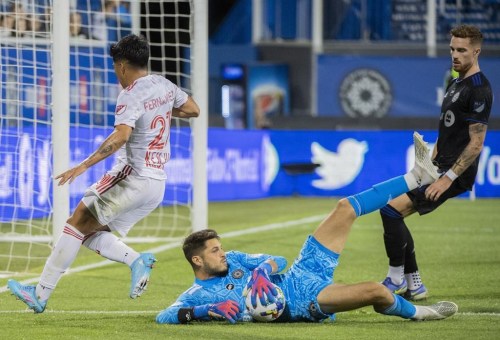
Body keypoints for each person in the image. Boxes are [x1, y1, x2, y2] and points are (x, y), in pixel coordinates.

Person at [156, 133, 458, 324]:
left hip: (302, 270)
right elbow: (164, 315)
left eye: (220, 247)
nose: (222, 253)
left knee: (344, 208)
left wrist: (262, 269)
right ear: (197, 260)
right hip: (305, 299)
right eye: (214, 251)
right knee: (377, 291)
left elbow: (280, 260)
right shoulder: (197, 295)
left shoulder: (234, 259)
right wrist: (201, 312)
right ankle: (420, 313)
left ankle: (417, 176)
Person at [8, 34, 200, 313]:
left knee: (76, 223)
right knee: (85, 233)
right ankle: (135, 260)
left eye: (115, 68)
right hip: (156, 184)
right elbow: (193, 110)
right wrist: (163, 112)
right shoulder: (164, 84)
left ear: (121, 66)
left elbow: (121, 137)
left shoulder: (130, 93)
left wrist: (84, 165)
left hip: (131, 176)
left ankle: (40, 294)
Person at [379, 24, 492, 301]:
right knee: (394, 213)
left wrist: (446, 179)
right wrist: (425, 167)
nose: (455, 54)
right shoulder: (455, 83)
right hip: (438, 167)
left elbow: (476, 143)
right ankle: (415, 285)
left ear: (476, 52)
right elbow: (446, 133)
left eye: (462, 50)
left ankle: (395, 277)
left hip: (455, 173)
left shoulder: (479, 89)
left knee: (391, 212)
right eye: (452, 48)